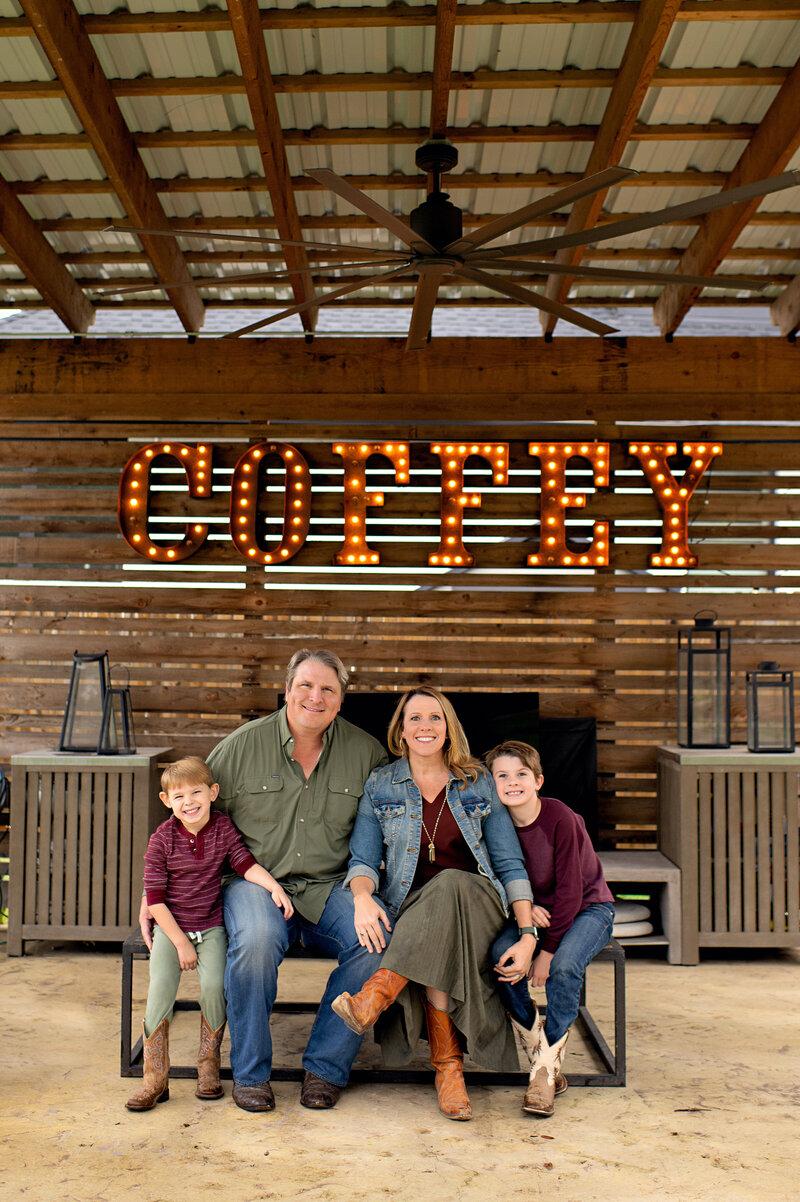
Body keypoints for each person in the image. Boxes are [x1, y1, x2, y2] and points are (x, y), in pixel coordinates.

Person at [145, 648, 389, 1114]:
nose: (314, 697)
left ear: (341, 700)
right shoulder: (240, 747)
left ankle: (325, 1067)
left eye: (328, 689)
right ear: (287, 688)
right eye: (305, 685)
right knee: (255, 941)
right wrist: (151, 893)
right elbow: (188, 817)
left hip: (331, 885)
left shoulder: (367, 754)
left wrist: (366, 893)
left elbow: (383, 832)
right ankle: (251, 1073)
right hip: (255, 884)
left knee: (375, 942)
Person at [331, 686, 536, 1121]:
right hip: (415, 912)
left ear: (448, 728)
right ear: (401, 730)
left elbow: (509, 864)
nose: (425, 726)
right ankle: (448, 1070)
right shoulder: (381, 784)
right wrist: (363, 897)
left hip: (478, 903)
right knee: (436, 928)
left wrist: (526, 932)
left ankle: (377, 994)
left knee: (450, 884)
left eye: (435, 718)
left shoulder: (477, 780)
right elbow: (364, 858)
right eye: (415, 718)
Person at [127, 757, 292, 1112]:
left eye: (196, 792)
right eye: (179, 796)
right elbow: (154, 901)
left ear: (212, 792)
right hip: (172, 930)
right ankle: (154, 1079)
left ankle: (208, 1067)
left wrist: (273, 887)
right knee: (159, 992)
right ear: (166, 800)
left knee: (216, 988)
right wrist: (181, 942)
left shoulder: (222, 828)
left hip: (211, 926)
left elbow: (245, 863)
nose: (189, 802)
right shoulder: (162, 840)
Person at [487, 739, 615, 1118]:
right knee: (501, 958)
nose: (512, 783)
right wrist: (530, 911)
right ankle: (542, 1057)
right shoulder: (494, 823)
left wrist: (545, 952)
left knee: (563, 969)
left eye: (521, 774)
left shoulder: (560, 817)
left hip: (588, 910)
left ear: (538, 780)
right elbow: (497, 878)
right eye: (502, 776)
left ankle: (543, 1073)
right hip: (536, 914)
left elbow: (573, 891)